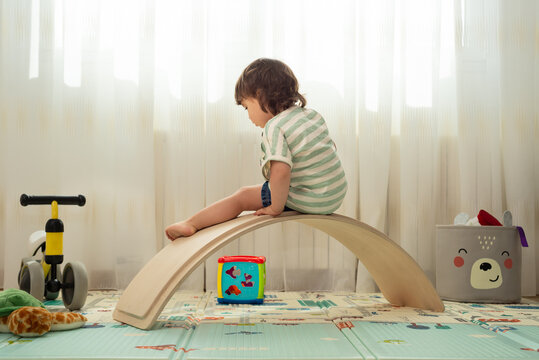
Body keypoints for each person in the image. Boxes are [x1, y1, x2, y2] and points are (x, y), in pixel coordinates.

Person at [165, 58, 347, 240]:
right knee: (259, 191)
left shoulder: (275, 127)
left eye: (246, 107)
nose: (249, 116)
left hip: (312, 198)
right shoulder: (311, 115)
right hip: (335, 195)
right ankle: (191, 223)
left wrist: (276, 207)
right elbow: (330, 148)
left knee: (242, 197)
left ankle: (190, 224)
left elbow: (281, 172)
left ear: (260, 95)